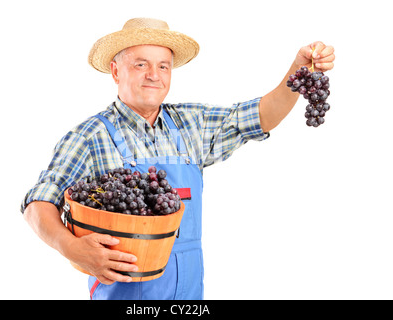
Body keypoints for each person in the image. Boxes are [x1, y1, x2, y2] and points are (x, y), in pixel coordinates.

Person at [21, 17, 335, 299]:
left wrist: (299, 70)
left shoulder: (190, 125)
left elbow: (261, 115)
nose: (153, 75)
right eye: (140, 64)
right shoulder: (90, 137)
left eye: (163, 66)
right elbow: (38, 203)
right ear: (116, 71)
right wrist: (71, 247)